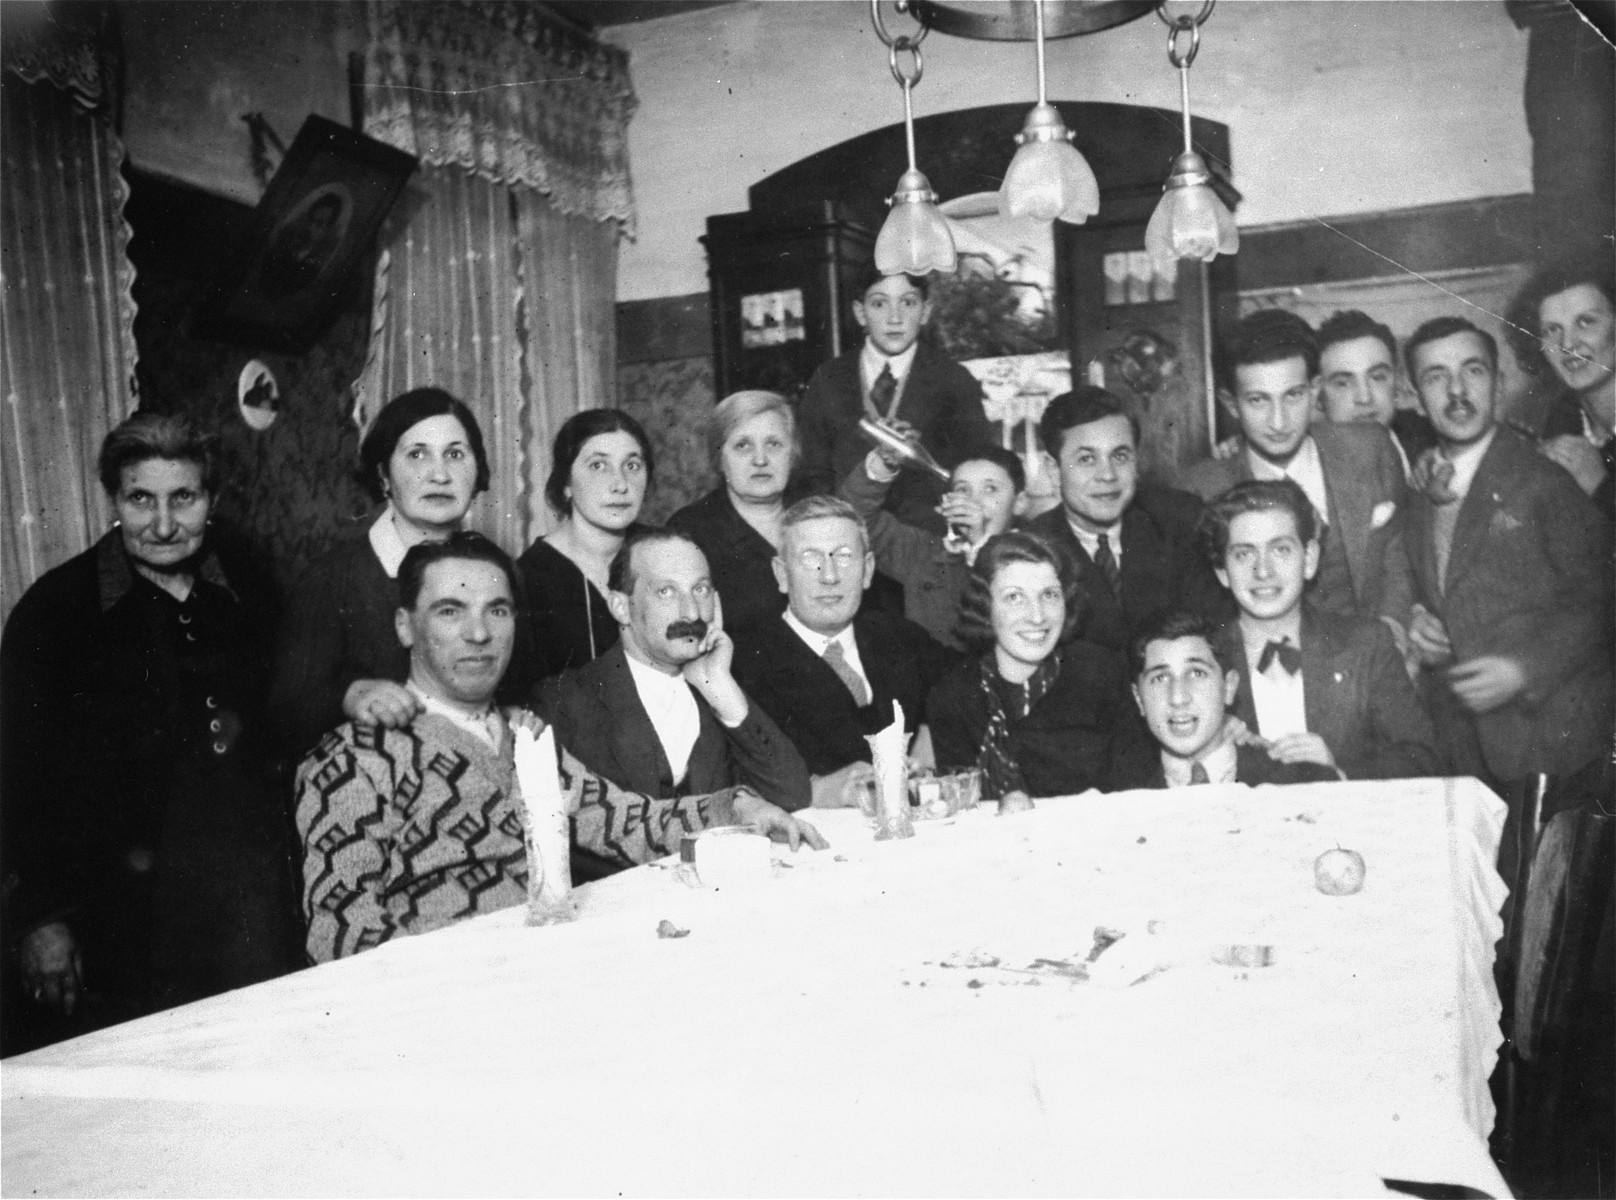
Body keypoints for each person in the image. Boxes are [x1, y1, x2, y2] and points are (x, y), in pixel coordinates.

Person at [295, 533, 822, 963]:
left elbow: (623, 824)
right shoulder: (351, 761)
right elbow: (344, 948)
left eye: (498, 611)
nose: (479, 633)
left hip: (554, 975)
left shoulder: (526, 737)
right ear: (405, 626)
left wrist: (738, 807)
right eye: (451, 611)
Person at [1, 413, 298, 1052]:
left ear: (211, 500)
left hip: (245, 902)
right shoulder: (56, 612)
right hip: (119, 921)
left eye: (183, 498)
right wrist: (39, 920)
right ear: (114, 498)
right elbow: (15, 780)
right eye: (142, 498)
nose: (163, 524)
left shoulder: (247, 585)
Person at [1402, 315, 1613, 791]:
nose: (1457, 390)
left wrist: (1523, 668)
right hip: (1460, 751)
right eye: (1436, 376)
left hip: (1551, 745)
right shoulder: (1417, 492)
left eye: (1472, 370)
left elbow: (1601, 596)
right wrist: (1418, 618)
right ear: (1415, 396)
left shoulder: (1546, 479)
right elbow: (1431, 585)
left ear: (1497, 385)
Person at [269, 387, 495, 759]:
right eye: (417, 454)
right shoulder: (332, 578)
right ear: (384, 475)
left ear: (477, 471)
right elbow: (285, 716)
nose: (439, 474)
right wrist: (349, 695)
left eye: (455, 454)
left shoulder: (495, 573)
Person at [534, 528, 811, 816]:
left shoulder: (721, 689)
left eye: (700, 590)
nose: (691, 613)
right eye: (666, 592)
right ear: (620, 607)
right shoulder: (564, 702)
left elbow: (793, 795)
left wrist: (719, 686)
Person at [1181, 310, 1414, 636]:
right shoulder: (1199, 490)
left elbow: (1397, 553)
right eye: (1258, 400)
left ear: (1315, 389)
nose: (1279, 422)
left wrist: (1393, 625)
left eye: (1293, 395)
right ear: (1231, 404)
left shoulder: (1370, 447)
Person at [1201, 479, 1440, 780]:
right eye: (1244, 554)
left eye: (1281, 550)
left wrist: (1338, 774)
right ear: (1222, 570)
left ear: (1310, 559)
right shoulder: (1203, 661)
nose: (1263, 571)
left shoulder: (1367, 645)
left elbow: (1422, 759)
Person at [730, 496, 943, 807]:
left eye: (844, 556)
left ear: (868, 570)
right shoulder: (744, 663)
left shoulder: (899, 637)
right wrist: (816, 792)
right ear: (782, 574)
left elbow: (967, 685)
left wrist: (931, 738)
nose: (829, 576)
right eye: (810, 558)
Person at [926, 531, 1152, 807]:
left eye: (1049, 595)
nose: (1037, 616)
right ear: (985, 605)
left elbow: (1137, 794)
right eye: (1014, 597)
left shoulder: (1101, 673)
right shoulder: (953, 697)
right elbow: (959, 810)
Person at [1024, 387, 1229, 652]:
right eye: (1086, 459)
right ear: (1054, 471)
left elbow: (1219, 631)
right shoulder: (1032, 549)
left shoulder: (1179, 524)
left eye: (1120, 456)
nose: (1107, 475)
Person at [797, 268, 992, 532]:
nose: (895, 318)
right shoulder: (828, 380)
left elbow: (975, 466)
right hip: (847, 535)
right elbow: (812, 472)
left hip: (926, 541)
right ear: (860, 312)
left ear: (925, 311)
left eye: (908, 303)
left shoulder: (954, 381)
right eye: (879, 303)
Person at [840, 441, 1028, 651]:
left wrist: (981, 544)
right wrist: (882, 467)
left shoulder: (1038, 558)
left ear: (1019, 503)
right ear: (948, 501)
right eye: (963, 489)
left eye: (990, 489)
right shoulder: (927, 553)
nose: (974, 501)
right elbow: (855, 522)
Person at [1121, 610, 1340, 789]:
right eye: (1160, 678)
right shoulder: (1117, 806)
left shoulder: (1302, 785)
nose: (1178, 697)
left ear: (1228, 687)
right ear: (1139, 699)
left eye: (1196, 673)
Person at [517, 410, 653, 684]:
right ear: (566, 483)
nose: (620, 485)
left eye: (632, 466)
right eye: (598, 466)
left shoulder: (664, 554)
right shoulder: (528, 578)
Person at [666, 390, 793, 631]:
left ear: (792, 453)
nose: (760, 459)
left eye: (773, 444)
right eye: (743, 446)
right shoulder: (688, 532)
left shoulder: (816, 515)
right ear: (719, 459)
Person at [1514, 257, 1615, 509]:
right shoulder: (1561, 419)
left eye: (1586, 322)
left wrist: (1600, 485)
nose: (1568, 344)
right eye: (1552, 330)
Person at [1314, 309, 1437, 477]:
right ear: (1318, 396)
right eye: (1343, 383)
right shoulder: (1304, 462)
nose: (1365, 398)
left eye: (1377, 377)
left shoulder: (1432, 437)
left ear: (1397, 380)